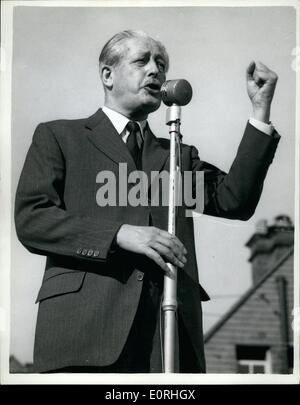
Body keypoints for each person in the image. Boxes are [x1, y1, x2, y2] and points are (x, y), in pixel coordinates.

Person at [15, 30, 280, 373]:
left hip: (166, 341)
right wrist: (119, 234)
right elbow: (32, 219)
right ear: (107, 75)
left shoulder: (177, 155)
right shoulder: (60, 137)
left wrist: (260, 109)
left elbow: (235, 200)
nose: (155, 70)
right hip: (84, 337)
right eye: (142, 61)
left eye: (162, 64)